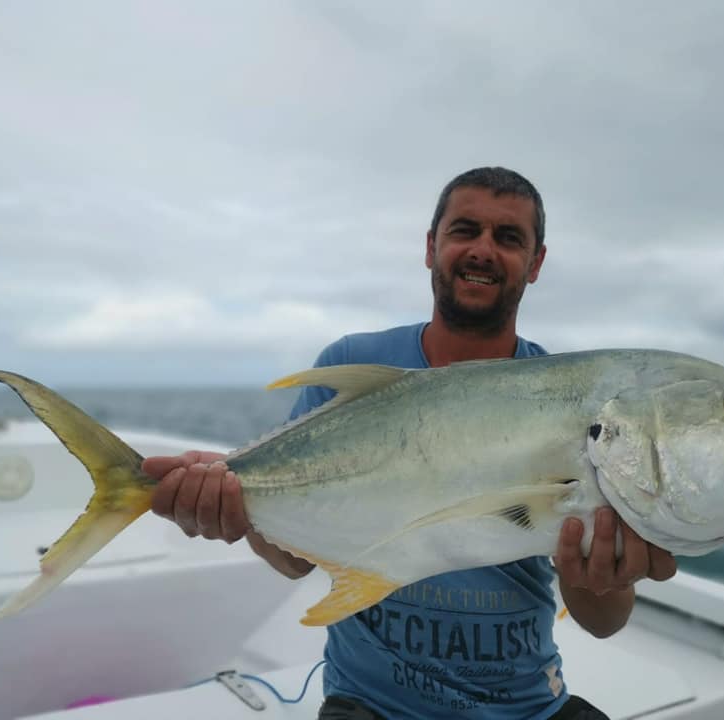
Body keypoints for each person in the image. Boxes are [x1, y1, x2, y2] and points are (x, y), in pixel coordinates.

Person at [142, 167, 677, 720]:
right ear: (431, 247)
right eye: (465, 230)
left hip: (525, 705)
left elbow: (603, 621)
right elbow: (291, 562)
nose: (483, 250)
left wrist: (603, 575)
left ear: (537, 262)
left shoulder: (576, 404)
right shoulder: (349, 366)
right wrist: (234, 509)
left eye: (509, 237)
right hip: (371, 705)